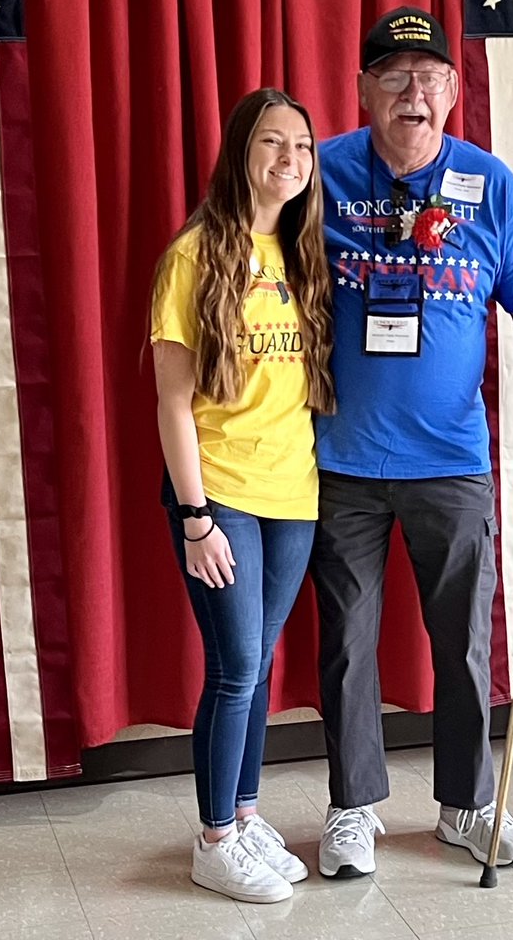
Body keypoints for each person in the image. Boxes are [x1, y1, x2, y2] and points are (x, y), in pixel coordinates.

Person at [310, 7, 513, 878]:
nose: (411, 93)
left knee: (462, 641)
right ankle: (353, 811)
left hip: (453, 462)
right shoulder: (321, 176)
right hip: (339, 460)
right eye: (392, 76)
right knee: (347, 642)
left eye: (428, 79)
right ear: (362, 91)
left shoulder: (489, 185)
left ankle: (465, 805)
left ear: (452, 94)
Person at [151, 87, 335, 904]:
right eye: (270, 142)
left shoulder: (303, 253)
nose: (287, 158)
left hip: (291, 491)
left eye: (300, 145)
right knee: (232, 668)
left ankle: (245, 812)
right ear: (240, 153)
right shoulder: (195, 254)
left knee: (257, 664)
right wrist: (194, 518)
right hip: (219, 492)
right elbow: (169, 401)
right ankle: (214, 839)